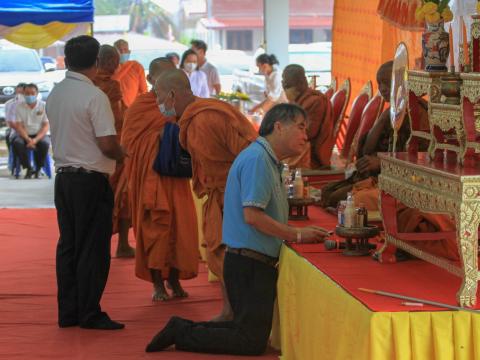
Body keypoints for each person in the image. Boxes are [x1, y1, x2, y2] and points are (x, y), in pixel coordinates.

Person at [145, 104, 329, 355]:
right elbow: (252, 216)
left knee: (244, 332)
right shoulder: (258, 160)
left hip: (250, 262)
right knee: (250, 342)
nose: (305, 136)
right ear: (278, 126)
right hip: (249, 263)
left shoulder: (265, 158)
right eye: (300, 127)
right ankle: (180, 331)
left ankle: (182, 329)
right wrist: (297, 234)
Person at [155, 69, 258, 321]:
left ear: (171, 94)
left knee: (224, 251)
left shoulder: (203, 119)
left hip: (230, 195)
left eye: (158, 96)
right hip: (223, 192)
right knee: (220, 250)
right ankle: (230, 310)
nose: (158, 104)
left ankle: (232, 312)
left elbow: (241, 158)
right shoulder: (200, 113)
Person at [46, 35, 125, 330]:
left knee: (69, 245)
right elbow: (107, 144)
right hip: (90, 180)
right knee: (92, 246)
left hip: (64, 179)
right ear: (96, 63)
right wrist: (122, 154)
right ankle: (89, 312)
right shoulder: (95, 96)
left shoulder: (56, 93)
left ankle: (68, 312)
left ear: (67, 61)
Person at [121, 58, 199, 301]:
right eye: (162, 80)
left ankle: (174, 280)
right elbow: (128, 145)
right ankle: (157, 284)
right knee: (154, 228)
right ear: (151, 80)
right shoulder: (141, 107)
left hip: (175, 178)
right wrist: (160, 138)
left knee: (180, 228)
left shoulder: (182, 102)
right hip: (149, 177)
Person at [93, 45, 135, 258]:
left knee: (98, 200)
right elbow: (119, 118)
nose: (117, 65)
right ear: (109, 62)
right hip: (114, 147)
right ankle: (123, 245)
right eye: (115, 61)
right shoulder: (112, 86)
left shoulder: (87, 84)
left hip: (91, 149)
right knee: (122, 197)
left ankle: (99, 246)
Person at [282, 64, 334, 168]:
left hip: (310, 155)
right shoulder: (299, 101)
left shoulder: (316, 102)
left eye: (287, 86)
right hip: (296, 147)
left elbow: (307, 133)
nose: (285, 90)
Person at [12, 83, 50, 179]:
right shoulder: (19, 107)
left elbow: (46, 126)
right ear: (23, 94)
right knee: (17, 143)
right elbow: (19, 126)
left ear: (37, 94)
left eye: (32, 93)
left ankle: (38, 169)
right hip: (24, 134)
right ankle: (29, 168)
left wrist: (35, 140)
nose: (30, 95)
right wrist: (28, 139)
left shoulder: (44, 106)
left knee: (45, 143)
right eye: (27, 93)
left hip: (39, 134)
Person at [112, 39, 148, 107]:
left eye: (125, 49)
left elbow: (144, 91)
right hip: (114, 108)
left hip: (133, 108)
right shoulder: (109, 67)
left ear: (129, 52)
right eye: (119, 50)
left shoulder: (136, 66)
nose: (122, 52)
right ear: (114, 52)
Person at [4, 83, 26, 152]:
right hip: (15, 130)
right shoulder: (9, 104)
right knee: (9, 135)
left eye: (22, 93)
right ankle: (13, 159)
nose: (20, 95)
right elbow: (9, 122)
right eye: (18, 92)